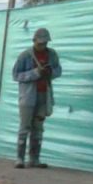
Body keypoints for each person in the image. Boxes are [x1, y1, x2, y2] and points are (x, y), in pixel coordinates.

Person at [11, 28, 61, 169]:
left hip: (44, 96)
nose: (42, 46)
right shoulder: (25, 56)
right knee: (25, 127)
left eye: (45, 43)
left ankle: (34, 159)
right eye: (40, 43)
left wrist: (50, 71)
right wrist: (35, 73)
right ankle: (19, 158)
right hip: (27, 97)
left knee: (38, 128)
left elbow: (58, 70)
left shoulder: (52, 55)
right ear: (34, 41)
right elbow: (16, 75)